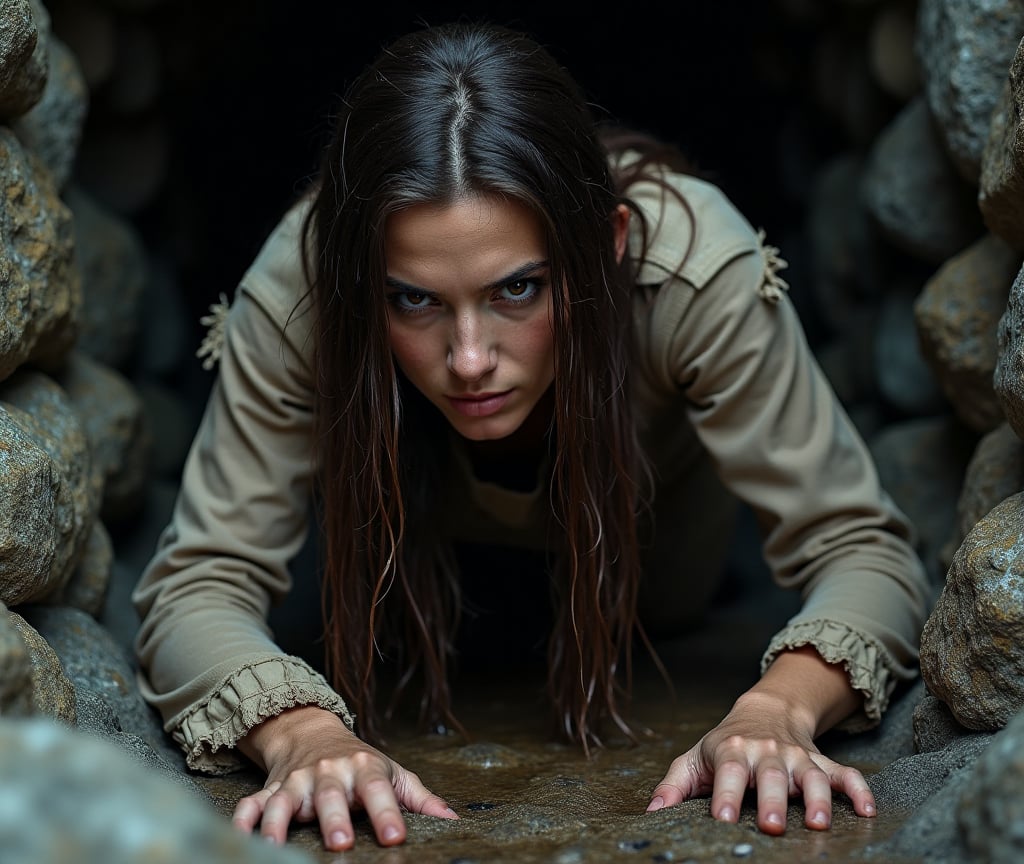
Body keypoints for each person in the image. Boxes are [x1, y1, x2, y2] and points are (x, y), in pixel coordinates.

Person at [133, 19, 931, 853]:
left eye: (518, 289)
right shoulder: (304, 288)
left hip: (648, 604)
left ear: (610, 247)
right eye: (414, 300)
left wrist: (776, 712)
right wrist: (304, 736)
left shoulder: (692, 271)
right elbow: (199, 581)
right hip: (393, 600)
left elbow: (860, 546)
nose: (469, 359)